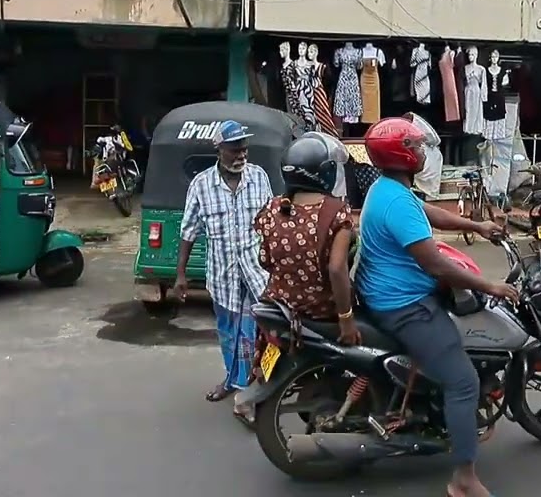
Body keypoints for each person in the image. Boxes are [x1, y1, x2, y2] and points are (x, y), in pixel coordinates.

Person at [355, 117, 517, 497]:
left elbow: (428, 212)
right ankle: (463, 479)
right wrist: (491, 284)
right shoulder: (395, 199)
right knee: (463, 382)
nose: (421, 151)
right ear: (401, 153)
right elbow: (435, 264)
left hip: (392, 294)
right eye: (414, 146)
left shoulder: (391, 188)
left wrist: (476, 226)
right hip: (403, 305)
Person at [174, 120, 273, 423]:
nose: (240, 154)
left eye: (244, 148)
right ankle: (233, 380)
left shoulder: (259, 177)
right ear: (218, 149)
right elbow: (188, 232)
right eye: (233, 149)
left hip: (256, 274)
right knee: (228, 334)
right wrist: (180, 275)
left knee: (253, 334)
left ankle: (248, 393)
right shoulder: (201, 185)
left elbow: (270, 224)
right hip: (223, 276)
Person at [253, 133, 359, 343]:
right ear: (325, 173)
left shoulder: (272, 209)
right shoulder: (337, 212)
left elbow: (264, 260)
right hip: (321, 312)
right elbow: (337, 269)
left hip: (279, 307)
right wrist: (346, 319)